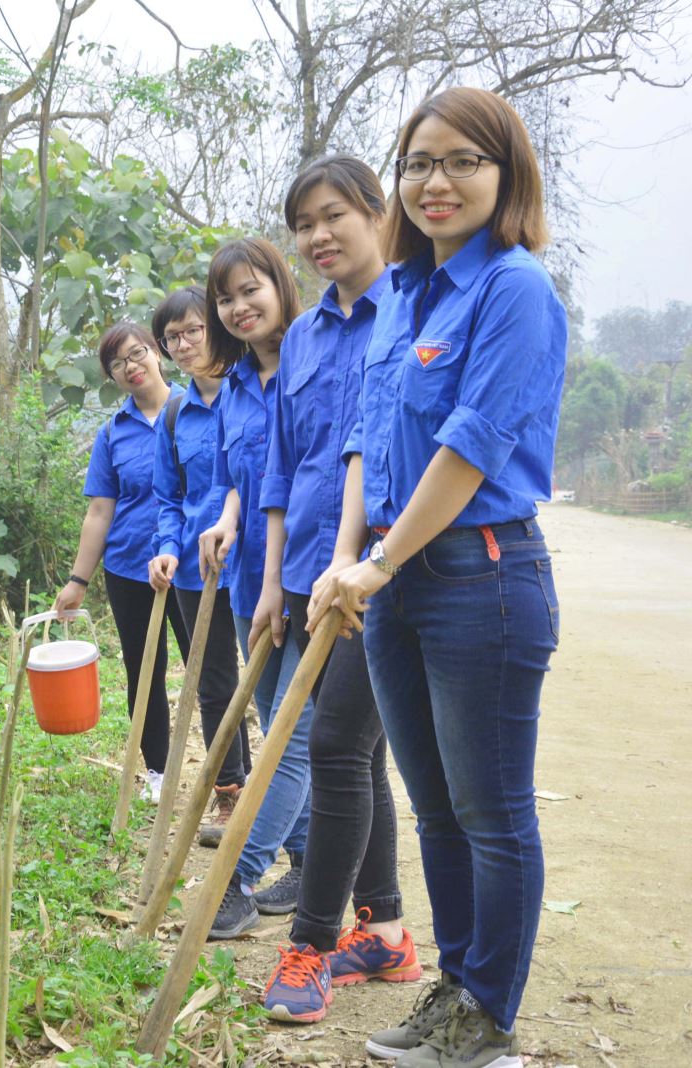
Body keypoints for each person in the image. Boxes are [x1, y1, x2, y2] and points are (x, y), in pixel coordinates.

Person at [310, 87, 566, 1068]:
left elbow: (469, 447)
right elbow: (370, 442)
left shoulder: (514, 289)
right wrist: (349, 557)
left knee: (491, 813)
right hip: (394, 583)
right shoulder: (406, 295)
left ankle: (487, 1020)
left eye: (463, 161)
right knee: (432, 808)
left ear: (504, 175)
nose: (436, 181)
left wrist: (376, 561)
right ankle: (452, 994)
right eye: (419, 162)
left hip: (481, 580)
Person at [256, 157, 421, 1026]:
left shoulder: (413, 304)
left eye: (335, 217)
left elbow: (383, 446)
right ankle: (386, 930)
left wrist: (355, 563)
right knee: (359, 754)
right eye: (305, 225)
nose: (320, 236)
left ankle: (313, 946)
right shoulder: (308, 335)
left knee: (332, 749)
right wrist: (277, 579)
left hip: (382, 570)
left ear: (373, 211)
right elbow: (285, 461)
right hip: (312, 572)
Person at [196, 237, 314, 940]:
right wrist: (222, 520)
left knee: (291, 739)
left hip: (313, 573)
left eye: (252, 289)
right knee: (274, 723)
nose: (240, 307)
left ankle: (238, 878)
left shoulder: (317, 358)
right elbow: (240, 480)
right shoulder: (233, 386)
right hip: (251, 579)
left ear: (282, 284)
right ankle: (306, 859)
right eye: (226, 297)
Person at [54, 322, 183, 803]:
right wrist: (77, 580)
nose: (131, 367)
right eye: (118, 364)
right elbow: (100, 511)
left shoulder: (195, 409)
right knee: (143, 669)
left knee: (206, 669)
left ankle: (230, 772)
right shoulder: (113, 432)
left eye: (137, 354)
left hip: (191, 567)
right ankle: (157, 771)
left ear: (159, 353)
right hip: (130, 567)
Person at [146, 288, 253, 816]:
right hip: (194, 569)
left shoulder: (253, 391)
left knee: (268, 681)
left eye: (192, 331)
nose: (184, 344)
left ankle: (284, 801)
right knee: (211, 684)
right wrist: (167, 548)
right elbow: (169, 497)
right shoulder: (173, 414)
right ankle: (230, 790)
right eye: (172, 338)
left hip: (256, 564)